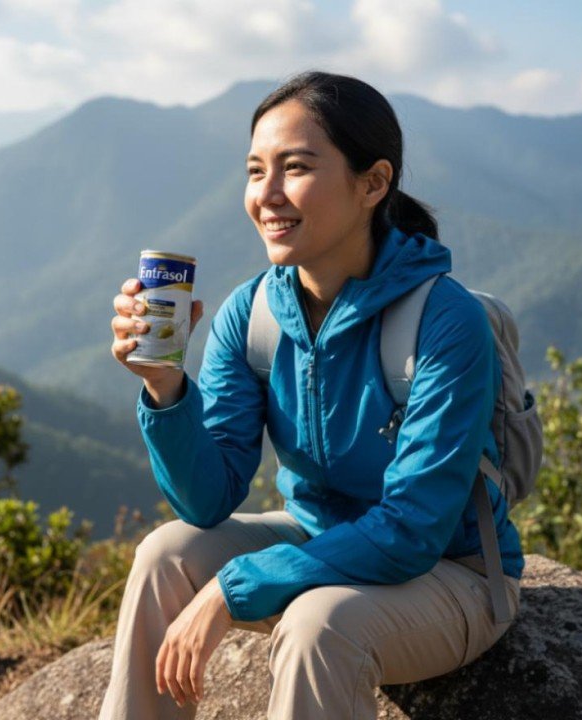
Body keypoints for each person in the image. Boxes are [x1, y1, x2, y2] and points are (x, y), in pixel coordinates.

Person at [101, 70, 523, 720]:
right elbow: (207, 500)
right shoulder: (253, 315)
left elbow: (413, 528)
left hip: (450, 572)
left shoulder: (444, 319)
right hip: (320, 541)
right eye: (254, 171)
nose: (266, 195)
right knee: (165, 554)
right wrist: (166, 389)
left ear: (373, 183)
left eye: (294, 168)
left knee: (317, 624)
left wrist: (232, 590)